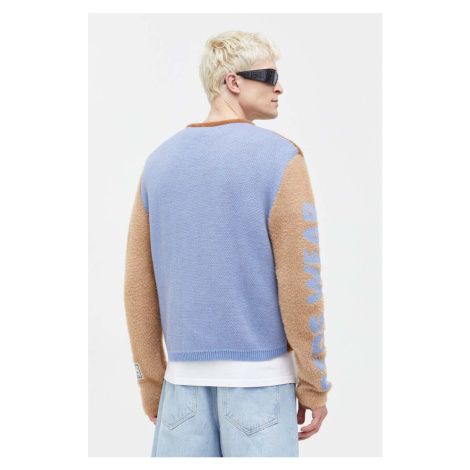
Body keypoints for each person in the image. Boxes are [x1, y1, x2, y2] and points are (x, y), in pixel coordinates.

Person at [124, 30, 332, 458]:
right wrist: (314, 384)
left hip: (181, 391)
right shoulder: (280, 158)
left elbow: (138, 288)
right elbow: (301, 282)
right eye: (269, 76)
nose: (279, 87)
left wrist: (152, 386)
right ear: (232, 81)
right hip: (260, 388)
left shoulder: (159, 163)